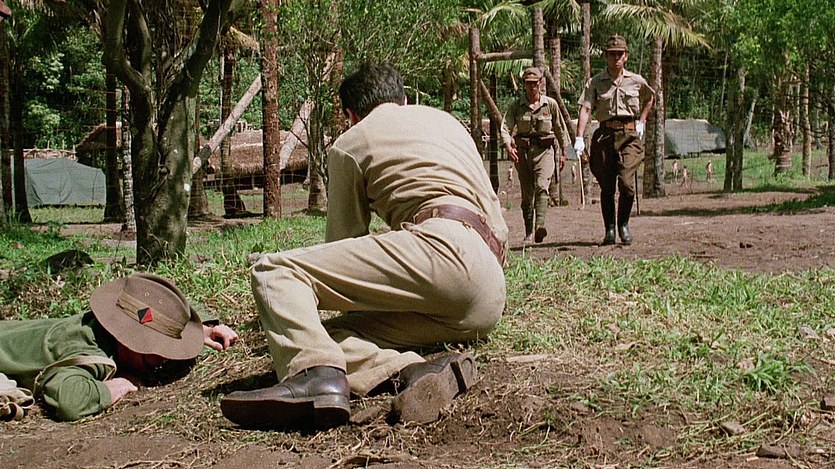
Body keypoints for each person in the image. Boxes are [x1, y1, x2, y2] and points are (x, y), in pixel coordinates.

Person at [220, 63, 507, 430]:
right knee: (322, 340)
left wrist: (286, 308)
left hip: (440, 252)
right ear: (404, 99)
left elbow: (345, 242)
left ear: (351, 115)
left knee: (274, 271)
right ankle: (414, 371)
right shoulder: (450, 123)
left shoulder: (351, 142)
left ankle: (315, 381)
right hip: (487, 298)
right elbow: (498, 223)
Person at [0, 273, 238, 422]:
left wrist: (200, 330)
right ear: (126, 339)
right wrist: (119, 384)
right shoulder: (90, 353)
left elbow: (156, 304)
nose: (163, 359)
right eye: (154, 350)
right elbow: (68, 401)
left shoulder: (106, 324)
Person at [574, 35, 655, 246]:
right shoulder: (595, 82)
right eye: (612, 54)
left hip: (629, 136)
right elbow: (586, 109)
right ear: (606, 56)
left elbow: (650, 98)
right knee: (607, 186)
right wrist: (579, 137)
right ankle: (609, 229)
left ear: (626, 56)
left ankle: (623, 225)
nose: (616, 58)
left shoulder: (636, 81)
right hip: (605, 136)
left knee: (627, 184)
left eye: (620, 54)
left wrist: (642, 121)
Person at [500, 67, 570, 244]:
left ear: (540, 83)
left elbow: (560, 129)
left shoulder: (550, 105)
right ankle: (529, 231)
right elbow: (505, 127)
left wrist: (565, 153)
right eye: (528, 83)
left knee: (541, 186)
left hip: (545, 152)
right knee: (527, 194)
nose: (532, 87)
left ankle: (540, 226)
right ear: (524, 84)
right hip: (523, 154)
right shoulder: (516, 106)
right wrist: (508, 146)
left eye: (535, 83)